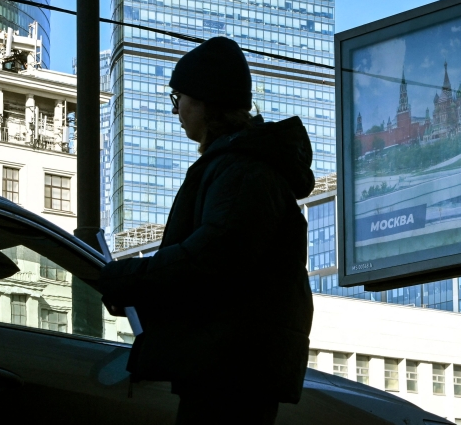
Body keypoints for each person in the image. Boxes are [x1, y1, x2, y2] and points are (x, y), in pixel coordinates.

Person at [99, 37, 315, 424]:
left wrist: (125, 279)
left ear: (206, 101)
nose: (175, 110)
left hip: (231, 366)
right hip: (230, 362)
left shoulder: (242, 170)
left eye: (179, 98)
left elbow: (211, 259)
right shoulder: (242, 166)